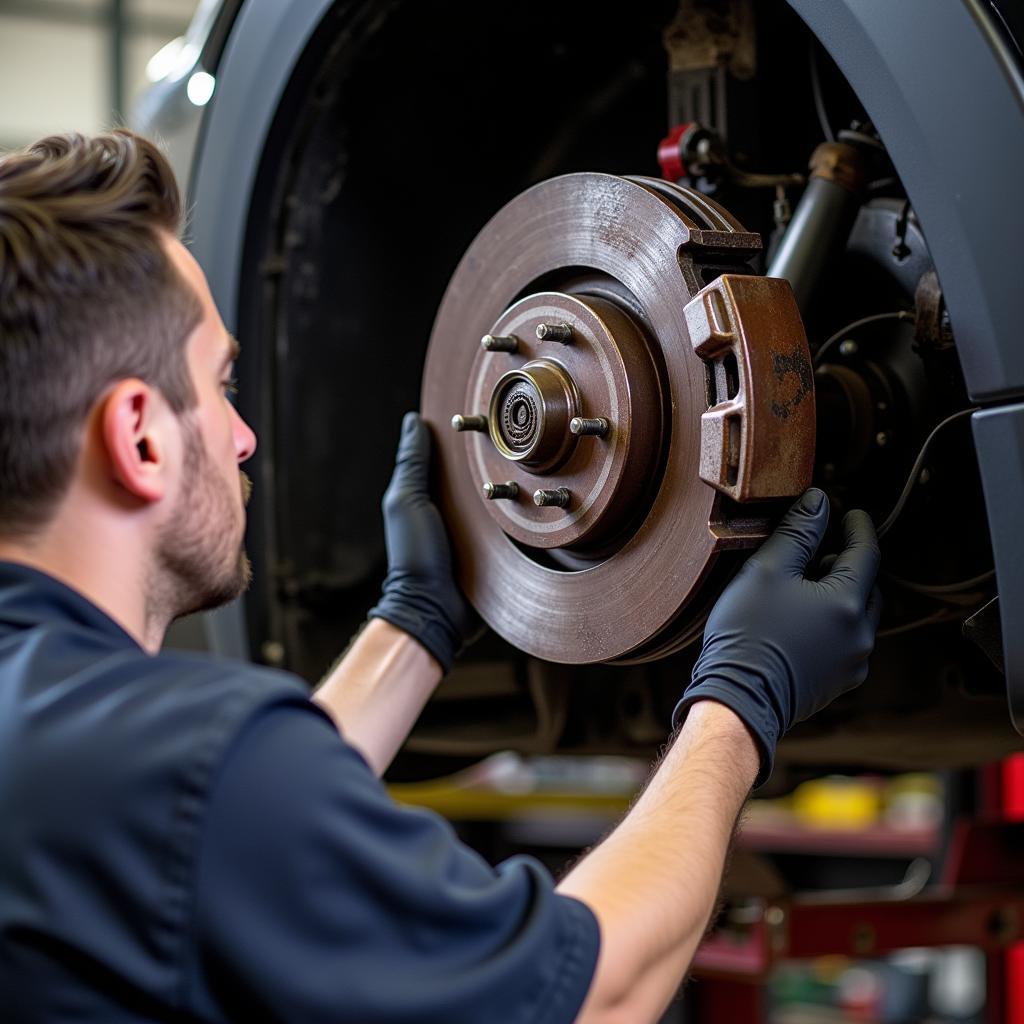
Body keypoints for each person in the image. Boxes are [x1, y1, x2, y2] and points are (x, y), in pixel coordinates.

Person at [0, 131, 880, 1023]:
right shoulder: (190, 771)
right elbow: (598, 995)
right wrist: (740, 703)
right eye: (219, 388)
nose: (243, 438)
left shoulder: (68, 747)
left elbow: (224, 840)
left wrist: (414, 622)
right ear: (141, 438)